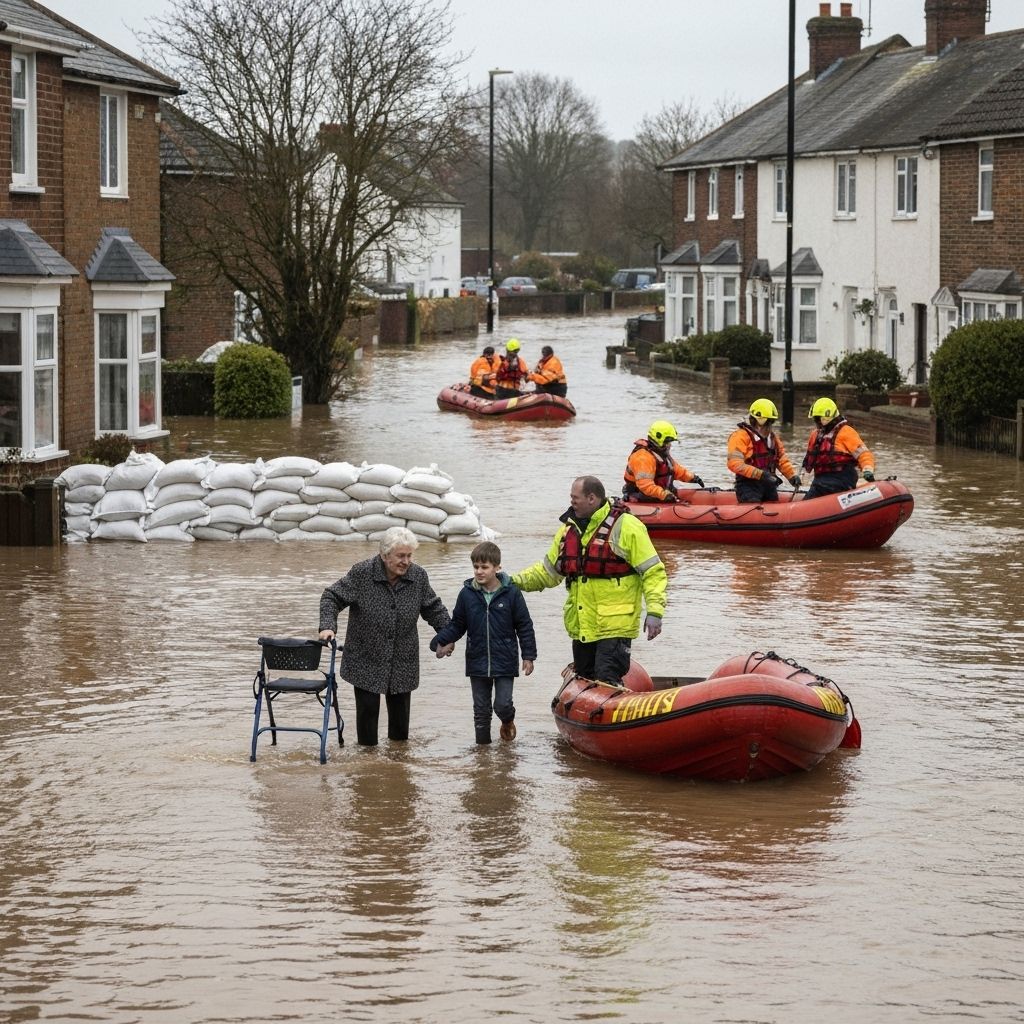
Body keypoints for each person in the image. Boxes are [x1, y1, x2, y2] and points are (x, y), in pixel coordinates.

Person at [511, 476, 667, 687]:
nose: (571, 502)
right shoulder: (568, 531)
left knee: (606, 681)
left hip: (615, 626)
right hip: (584, 626)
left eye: (575, 498)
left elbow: (653, 571)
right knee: (585, 681)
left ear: (592, 498)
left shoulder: (627, 527)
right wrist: (512, 582)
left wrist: (655, 611)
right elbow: (547, 573)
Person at [318, 526, 451, 746]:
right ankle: (368, 770)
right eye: (401, 556)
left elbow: (433, 608)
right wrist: (327, 626)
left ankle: (397, 770)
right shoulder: (362, 573)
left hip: (403, 660)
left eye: (409, 555)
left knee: (400, 730)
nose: (406, 561)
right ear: (384, 555)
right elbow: (331, 597)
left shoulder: (418, 576)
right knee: (368, 720)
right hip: (365, 657)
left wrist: (448, 635)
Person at [429, 541, 537, 745]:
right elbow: (458, 624)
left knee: (502, 705)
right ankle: (483, 756)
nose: (479, 571)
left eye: (484, 567)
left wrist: (528, 656)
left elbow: (524, 625)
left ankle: (507, 720)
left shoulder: (511, 593)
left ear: (497, 567)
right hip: (477, 659)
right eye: (476, 567)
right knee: (481, 711)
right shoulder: (467, 594)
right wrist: (439, 641)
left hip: (505, 660)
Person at [727, 398, 802, 504]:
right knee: (752, 511)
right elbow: (734, 464)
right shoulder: (740, 436)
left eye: (771, 422)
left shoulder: (772, 438)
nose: (769, 426)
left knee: (774, 510)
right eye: (768, 422)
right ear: (758, 421)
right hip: (748, 485)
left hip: (768, 484)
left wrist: (792, 477)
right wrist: (760, 474)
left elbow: (781, 460)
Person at [801, 397, 876, 499]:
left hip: (841, 480)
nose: (817, 422)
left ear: (828, 417)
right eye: (815, 419)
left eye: (818, 419)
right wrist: (800, 478)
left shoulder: (846, 432)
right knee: (811, 497)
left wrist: (867, 469)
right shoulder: (815, 435)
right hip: (820, 481)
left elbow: (863, 454)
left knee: (816, 493)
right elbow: (808, 460)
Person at [623, 419, 704, 502]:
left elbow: (676, 470)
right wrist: (664, 495)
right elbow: (645, 486)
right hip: (641, 496)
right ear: (659, 439)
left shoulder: (661, 455)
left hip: (659, 493)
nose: (669, 445)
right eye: (667, 442)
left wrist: (693, 478)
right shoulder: (642, 457)